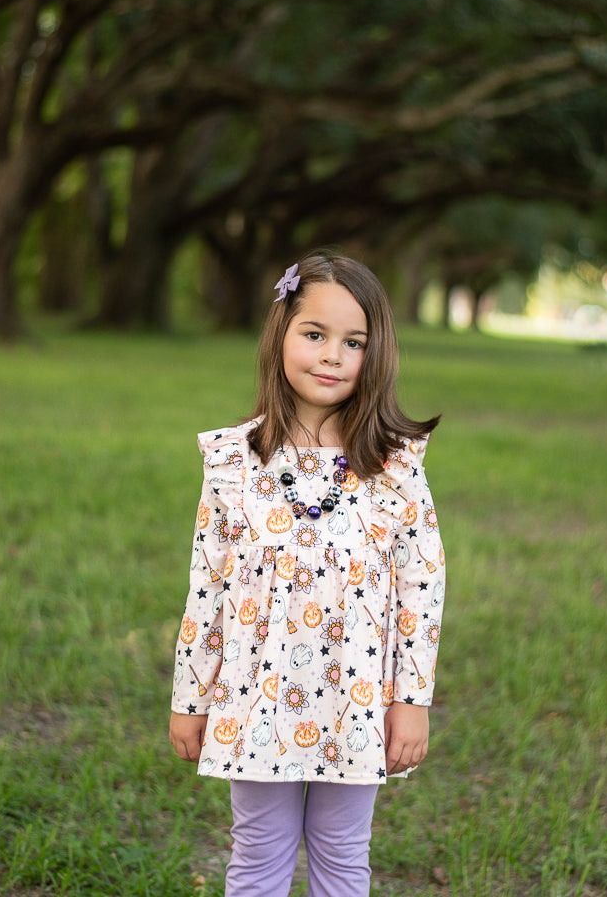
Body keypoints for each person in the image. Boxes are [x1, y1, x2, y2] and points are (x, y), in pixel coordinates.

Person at [169, 252, 446, 897]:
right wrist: (191, 698)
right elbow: (207, 587)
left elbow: (421, 589)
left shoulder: (394, 466)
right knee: (258, 854)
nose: (332, 355)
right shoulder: (235, 460)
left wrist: (412, 701)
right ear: (280, 335)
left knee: (343, 857)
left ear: (373, 357)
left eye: (354, 343)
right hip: (254, 695)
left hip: (356, 705)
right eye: (314, 334)